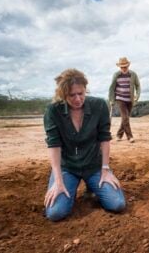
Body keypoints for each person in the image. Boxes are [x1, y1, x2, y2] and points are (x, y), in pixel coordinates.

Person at [43, 69, 126, 221]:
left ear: (85, 89)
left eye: (81, 93)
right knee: (55, 213)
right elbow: (53, 145)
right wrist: (58, 181)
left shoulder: (99, 105)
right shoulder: (53, 111)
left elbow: (104, 138)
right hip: (67, 168)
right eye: (71, 95)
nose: (77, 99)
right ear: (63, 94)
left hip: (94, 167)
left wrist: (105, 169)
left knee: (117, 204)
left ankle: (91, 187)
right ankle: (70, 188)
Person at [108, 57, 141, 143]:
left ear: (128, 66)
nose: (123, 68)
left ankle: (119, 135)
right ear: (119, 67)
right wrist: (111, 99)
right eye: (122, 67)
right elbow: (111, 88)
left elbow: (138, 86)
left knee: (125, 119)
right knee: (125, 118)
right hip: (120, 98)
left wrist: (137, 95)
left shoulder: (133, 74)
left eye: (125, 66)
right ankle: (130, 137)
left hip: (130, 99)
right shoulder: (116, 75)